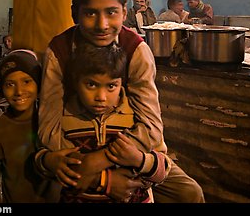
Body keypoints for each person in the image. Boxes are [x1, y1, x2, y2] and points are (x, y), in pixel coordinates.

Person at [37, 0, 205, 203]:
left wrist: (101, 162)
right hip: (76, 151)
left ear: (124, 12)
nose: (102, 24)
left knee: (190, 194)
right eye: (91, 13)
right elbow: (49, 128)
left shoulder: (136, 49)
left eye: (111, 12)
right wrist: (95, 175)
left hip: (131, 151)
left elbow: (150, 126)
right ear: (75, 13)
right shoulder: (60, 51)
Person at [39, 41, 171, 203]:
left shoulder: (136, 120)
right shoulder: (66, 119)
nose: (101, 97)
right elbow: (59, 166)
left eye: (111, 86)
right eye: (91, 84)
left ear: (122, 83)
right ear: (75, 82)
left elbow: (163, 170)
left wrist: (139, 159)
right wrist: (105, 181)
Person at [0, 50, 61, 203]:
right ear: (2, 89)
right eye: (10, 84)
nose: (19, 91)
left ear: (38, 84)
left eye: (27, 81)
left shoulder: (51, 122)